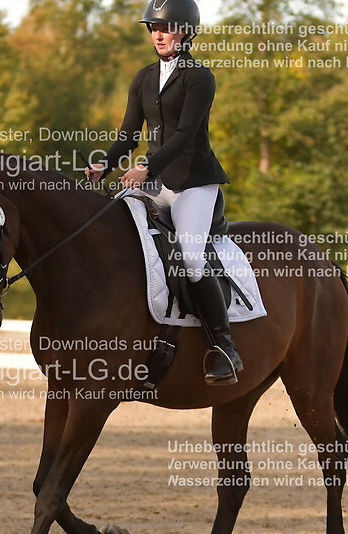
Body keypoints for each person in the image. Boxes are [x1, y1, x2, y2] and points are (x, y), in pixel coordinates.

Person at [86, 0, 242, 385]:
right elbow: (128, 135)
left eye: (166, 28)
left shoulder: (199, 77)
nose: (158, 35)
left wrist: (146, 168)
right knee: (114, 232)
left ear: (186, 32)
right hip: (155, 183)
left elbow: (185, 135)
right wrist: (105, 164)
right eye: (153, 28)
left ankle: (223, 346)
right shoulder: (143, 78)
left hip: (193, 182)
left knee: (191, 257)